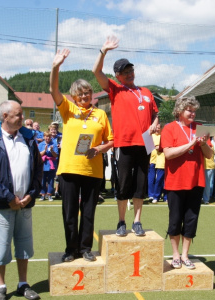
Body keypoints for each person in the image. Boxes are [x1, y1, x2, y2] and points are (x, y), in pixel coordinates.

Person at [51, 49, 114, 262]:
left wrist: (99, 149)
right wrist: (56, 67)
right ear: (74, 96)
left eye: (88, 93)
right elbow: (53, 90)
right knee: (69, 213)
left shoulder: (101, 114)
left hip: (93, 170)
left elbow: (112, 141)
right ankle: (71, 249)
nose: (85, 96)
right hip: (69, 169)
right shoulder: (67, 109)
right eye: (80, 94)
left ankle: (85, 248)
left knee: (88, 212)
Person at [93, 36, 159, 236]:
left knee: (141, 184)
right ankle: (121, 221)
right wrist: (103, 50)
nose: (130, 74)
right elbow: (96, 72)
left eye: (131, 70)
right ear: (117, 76)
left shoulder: (146, 92)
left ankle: (137, 221)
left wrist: (155, 123)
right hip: (124, 143)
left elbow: (155, 113)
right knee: (123, 183)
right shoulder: (115, 89)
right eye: (125, 72)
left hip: (145, 143)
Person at [0, 100, 43, 300]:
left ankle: (23, 284)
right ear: (5, 117)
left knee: (24, 246)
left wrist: (31, 194)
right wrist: (9, 198)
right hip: (1, 206)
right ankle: (1, 286)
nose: (22, 118)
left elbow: (38, 170)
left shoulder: (29, 138)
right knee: (1, 247)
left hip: (25, 204)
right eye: (18, 115)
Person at [161, 96, 213, 270]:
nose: (193, 113)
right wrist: (191, 143)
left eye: (194, 110)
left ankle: (185, 255)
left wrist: (204, 143)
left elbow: (209, 155)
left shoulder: (200, 128)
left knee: (191, 220)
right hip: (175, 182)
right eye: (189, 110)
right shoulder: (169, 128)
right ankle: (175, 254)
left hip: (196, 181)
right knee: (175, 219)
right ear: (179, 111)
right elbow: (168, 154)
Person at [38, 126, 59, 201]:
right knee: (42, 180)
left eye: (49, 137)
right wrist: (45, 150)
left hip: (51, 165)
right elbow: (39, 155)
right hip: (43, 165)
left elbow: (56, 155)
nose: (47, 138)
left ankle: (49, 194)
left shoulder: (54, 144)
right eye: (46, 137)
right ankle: (43, 194)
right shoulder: (40, 145)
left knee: (51, 180)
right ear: (44, 137)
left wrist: (52, 150)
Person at [148, 124, 164, 203]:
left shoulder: (163, 136)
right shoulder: (151, 136)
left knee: (159, 179)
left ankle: (158, 195)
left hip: (161, 160)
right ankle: (151, 195)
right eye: (156, 128)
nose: (157, 129)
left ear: (161, 129)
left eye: (159, 128)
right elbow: (148, 148)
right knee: (151, 178)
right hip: (152, 160)